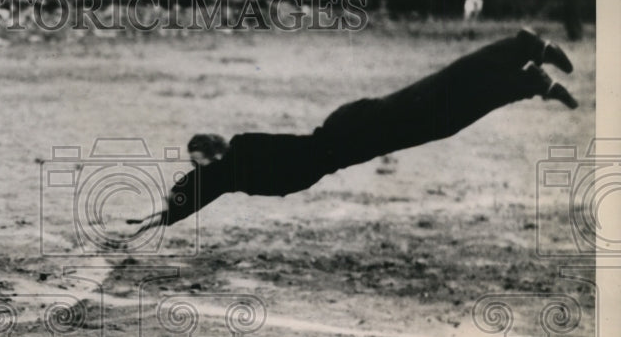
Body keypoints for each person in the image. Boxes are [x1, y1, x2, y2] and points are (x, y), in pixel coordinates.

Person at [126, 29, 576, 234]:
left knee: (442, 96)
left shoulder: (241, 155)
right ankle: (528, 82)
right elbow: (207, 185)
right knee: (446, 118)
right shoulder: (235, 166)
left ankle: (522, 48)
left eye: (197, 161)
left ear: (210, 155)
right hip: (358, 136)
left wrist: (168, 210)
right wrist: (167, 212)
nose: (197, 169)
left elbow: (206, 184)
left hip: (356, 131)